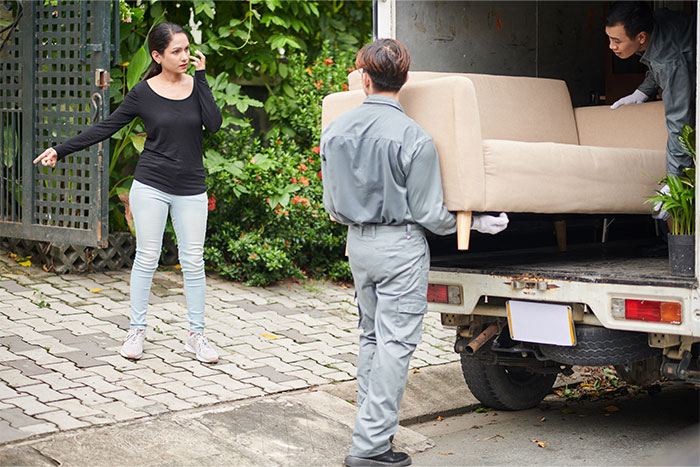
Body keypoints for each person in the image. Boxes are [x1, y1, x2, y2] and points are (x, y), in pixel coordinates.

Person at [321, 39, 509, 467]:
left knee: (371, 337)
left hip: (358, 245)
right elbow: (432, 215)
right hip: (400, 247)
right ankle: (369, 448)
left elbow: (331, 206)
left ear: (364, 79)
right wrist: (479, 223)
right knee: (394, 344)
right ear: (404, 81)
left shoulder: (334, 130)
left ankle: (370, 434)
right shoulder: (414, 138)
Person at [33, 23, 222, 363]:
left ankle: (197, 336)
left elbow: (214, 124)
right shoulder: (143, 93)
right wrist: (60, 150)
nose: (184, 56)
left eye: (186, 49)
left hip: (191, 186)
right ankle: (136, 330)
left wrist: (203, 77)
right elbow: (105, 128)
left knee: (193, 261)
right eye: (176, 51)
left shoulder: (196, 85)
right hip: (151, 184)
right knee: (147, 257)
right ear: (157, 55)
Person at [606, 1, 696, 184]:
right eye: (609, 38)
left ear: (640, 37)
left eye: (617, 41)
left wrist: (675, 184)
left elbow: (680, 124)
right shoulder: (652, 25)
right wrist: (642, 92)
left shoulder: (669, 63)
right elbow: (656, 58)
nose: (611, 46)